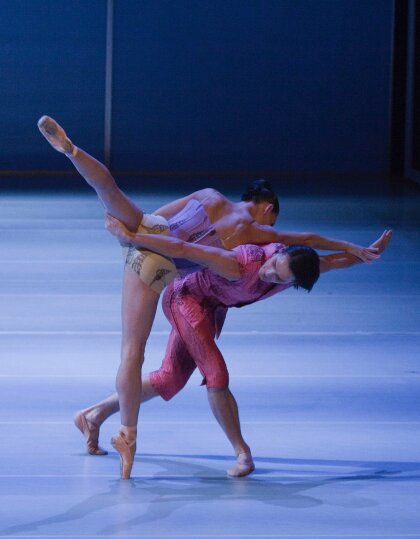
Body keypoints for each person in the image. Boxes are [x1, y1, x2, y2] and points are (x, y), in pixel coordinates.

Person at [37, 116, 380, 479]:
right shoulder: (255, 239)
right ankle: (139, 436)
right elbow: (305, 240)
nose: (272, 232)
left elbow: (162, 218)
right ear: (267, 207)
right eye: (273, 221)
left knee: (110, 193)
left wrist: (135, 233)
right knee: (143, 355)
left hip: (154, 234)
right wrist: (351, 246)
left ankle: (72, 151)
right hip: (162, 263)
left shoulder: (211, 196)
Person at [76, 214, 392, 478]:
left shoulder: (297, 266)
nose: (269, 272)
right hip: (185, 299)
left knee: (170, 379)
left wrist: (365, 254)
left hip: (209, 308)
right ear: (279, 253)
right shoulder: (240, 263)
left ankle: (93, 415)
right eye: (274, 265)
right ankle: (243, 454)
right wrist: (131, 236)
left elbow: (333, 262)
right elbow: (184, 248)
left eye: (278, 278)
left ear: (291, 282)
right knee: (217, 374)